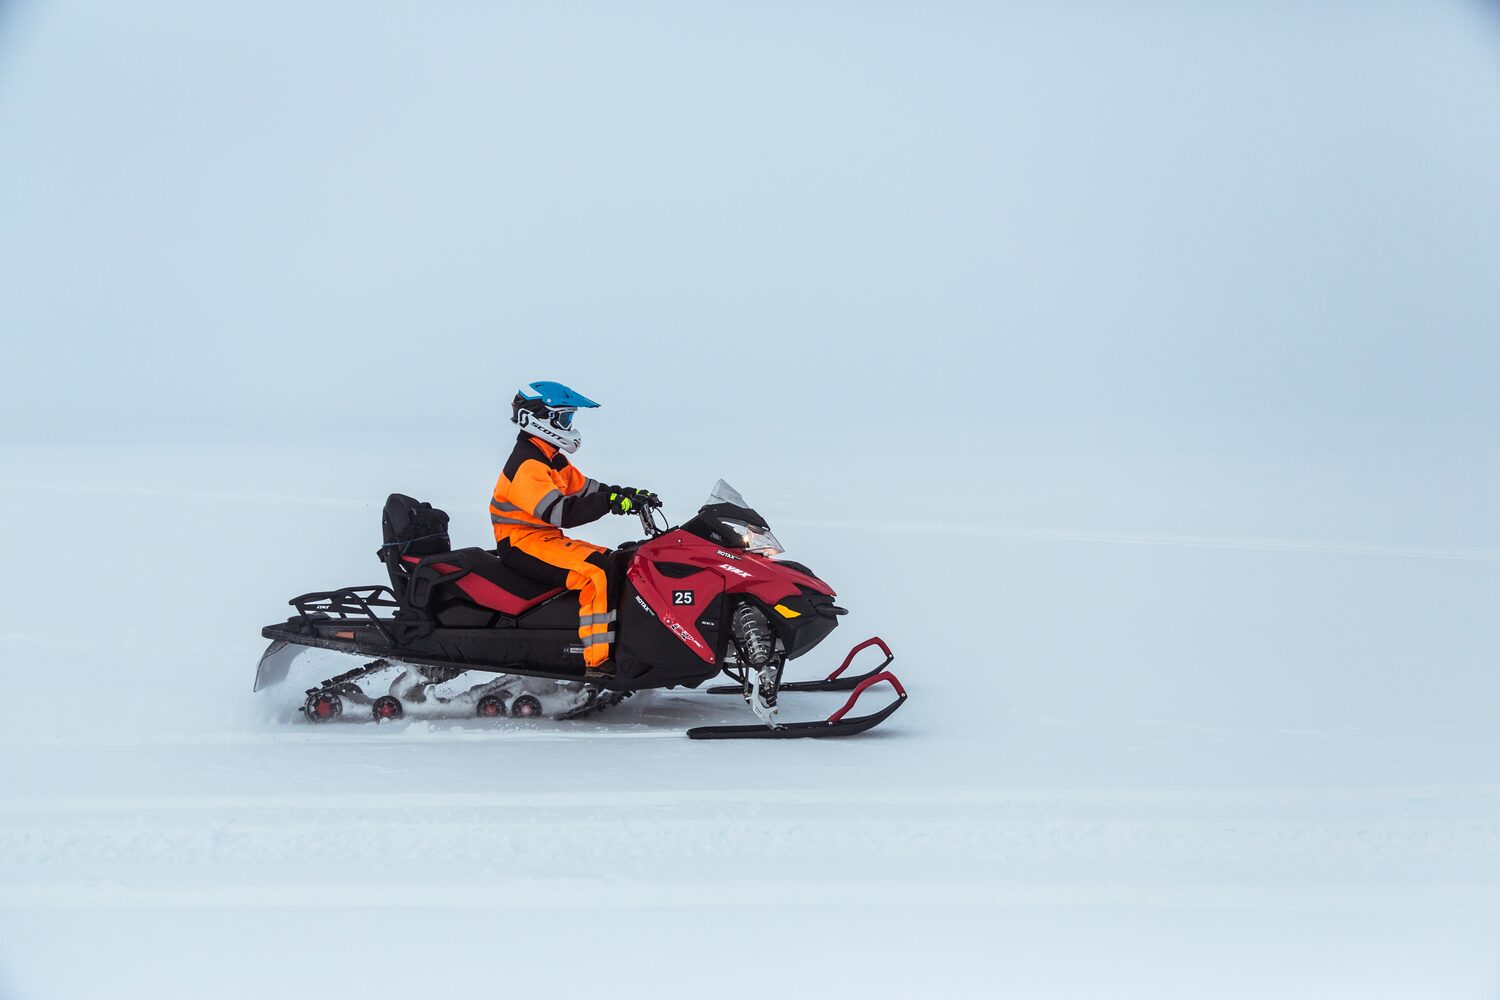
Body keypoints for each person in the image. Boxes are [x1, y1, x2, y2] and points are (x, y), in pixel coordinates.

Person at [489, 381, 658, 675]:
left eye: (570, 419)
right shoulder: (527, 464)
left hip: (544, 540)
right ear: (539, 419)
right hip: (522, 544)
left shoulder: (551, 458)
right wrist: (609, 502)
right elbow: (559, 512)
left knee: (620, 561)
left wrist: (627, 495)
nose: (568, 425)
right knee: (598, 572)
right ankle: (599, 662)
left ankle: (627, 643)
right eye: (564, 418)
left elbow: (586, 490)